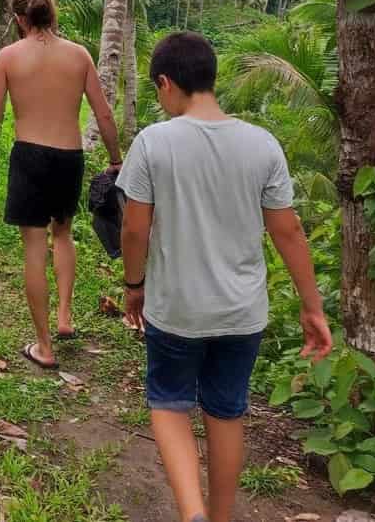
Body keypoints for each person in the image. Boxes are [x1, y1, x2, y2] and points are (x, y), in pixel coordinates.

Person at [116, 32, 332, 522]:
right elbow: (289, 232)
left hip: (177, 309)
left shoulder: (154, 142)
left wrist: (134, 286)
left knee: (170, 404)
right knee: (226, 411)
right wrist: (312, 306)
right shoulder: (262, 144)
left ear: (165, 83)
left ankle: (192, 513)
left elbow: (134, 228)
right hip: (242, 313)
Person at [0, 0, 123, 370]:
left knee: (34, 248)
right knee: (63, 233)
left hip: (30, 156)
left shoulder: (9, 56)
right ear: (50, 15)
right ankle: (64, 317)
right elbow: (104, 114)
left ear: (19, 19)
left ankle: (44, 346)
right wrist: (115, 158)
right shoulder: (79, 55)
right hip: (69, 157)